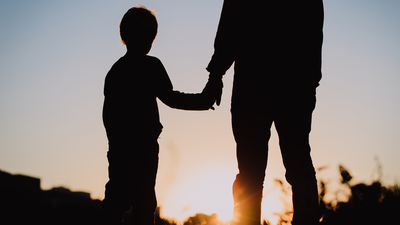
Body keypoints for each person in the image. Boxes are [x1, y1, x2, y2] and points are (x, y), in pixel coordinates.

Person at [101, 6, 222, 225]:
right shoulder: (151, 66)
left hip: (118, 150)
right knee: (144, 204)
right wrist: (204, 100)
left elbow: (107, 116)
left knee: (115, 200)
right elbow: (172, 98)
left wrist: (115, 143)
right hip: (144, 149)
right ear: (149, 38)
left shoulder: (115, 72)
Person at [206, 1, 324, 225]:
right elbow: (314, 30)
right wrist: (312, 79)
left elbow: (231, 24)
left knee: (253, 172)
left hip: (254, 80)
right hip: (293, 83)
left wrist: (216, 73)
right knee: (298, 165)